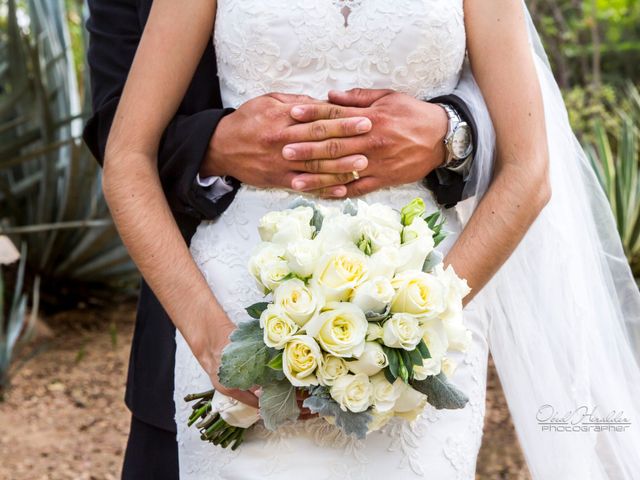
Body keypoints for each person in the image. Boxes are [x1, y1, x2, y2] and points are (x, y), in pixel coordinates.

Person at [89, 0, 640, 478]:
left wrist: (420, 323)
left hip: (422, 320)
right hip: (241, 313)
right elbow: (125, 157)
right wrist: (210, 337)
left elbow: (529, 170)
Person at [83, 0, 479, 477]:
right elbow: (122, 143)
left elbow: (525, 148)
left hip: (416, 319)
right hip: (229, 302)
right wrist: (216, 143)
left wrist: (430, 313)